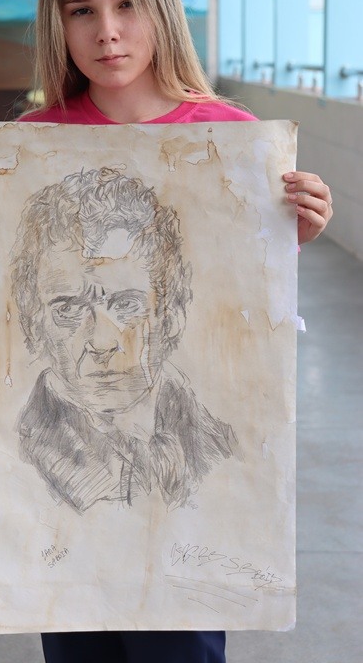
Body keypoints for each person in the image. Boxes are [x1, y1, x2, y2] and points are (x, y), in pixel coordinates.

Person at [0, 0, 333, 663]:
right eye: (81, 10)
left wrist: (288, 239)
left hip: (192, 535)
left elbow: (244, 321)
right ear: (56, 22)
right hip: (58, 532)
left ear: (162, 8)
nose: (107, 32)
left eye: (127, 4)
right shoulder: (25, 147)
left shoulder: (230, 140)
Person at [12, 167, 238, 514]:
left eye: (126, 304)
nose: (101, 342)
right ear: (33, 322)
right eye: (69, 309)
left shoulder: (219, 447)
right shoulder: (15, 460)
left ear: (171, 315)